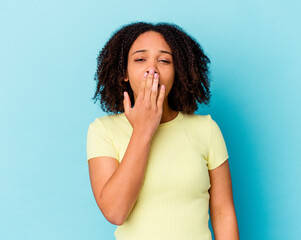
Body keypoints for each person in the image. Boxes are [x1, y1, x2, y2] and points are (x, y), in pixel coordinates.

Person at [87, 22, 239, 240]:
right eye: (140, 59)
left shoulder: (206, 129)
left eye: (164, 60)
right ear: (124, 74)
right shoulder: (103, 131)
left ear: (178, 72)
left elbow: (223, 212)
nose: (152, 69)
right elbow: (115, 212)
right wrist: (143, 130)